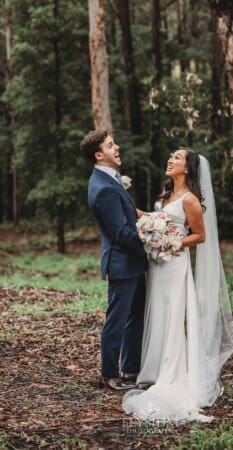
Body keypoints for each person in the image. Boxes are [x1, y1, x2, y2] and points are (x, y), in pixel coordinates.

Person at [123, 148, 233, 422]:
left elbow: (199, 235)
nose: (170, 159)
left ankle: (171, 373)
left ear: (187, 168)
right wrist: (131, 208)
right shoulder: (167, 195)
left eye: (176, 157)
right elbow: (156, 219)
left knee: (173, 315)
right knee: (158, 311)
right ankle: (154, 369)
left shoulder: (190, 199)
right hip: (158, 264)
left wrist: (173, 242)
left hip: (174, 264)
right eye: (170, 155)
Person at [80, 130, 148, 391]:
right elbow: (120, 233)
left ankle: (131, 368)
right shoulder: (103, 188)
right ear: (99, 155)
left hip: (132, 262)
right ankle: (109, 374)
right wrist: (151, 244)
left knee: (135, 316)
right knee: (117, 319)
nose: (117, 147)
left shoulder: (110, 180)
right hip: (122, 263)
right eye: (110, 145)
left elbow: (128, 217)